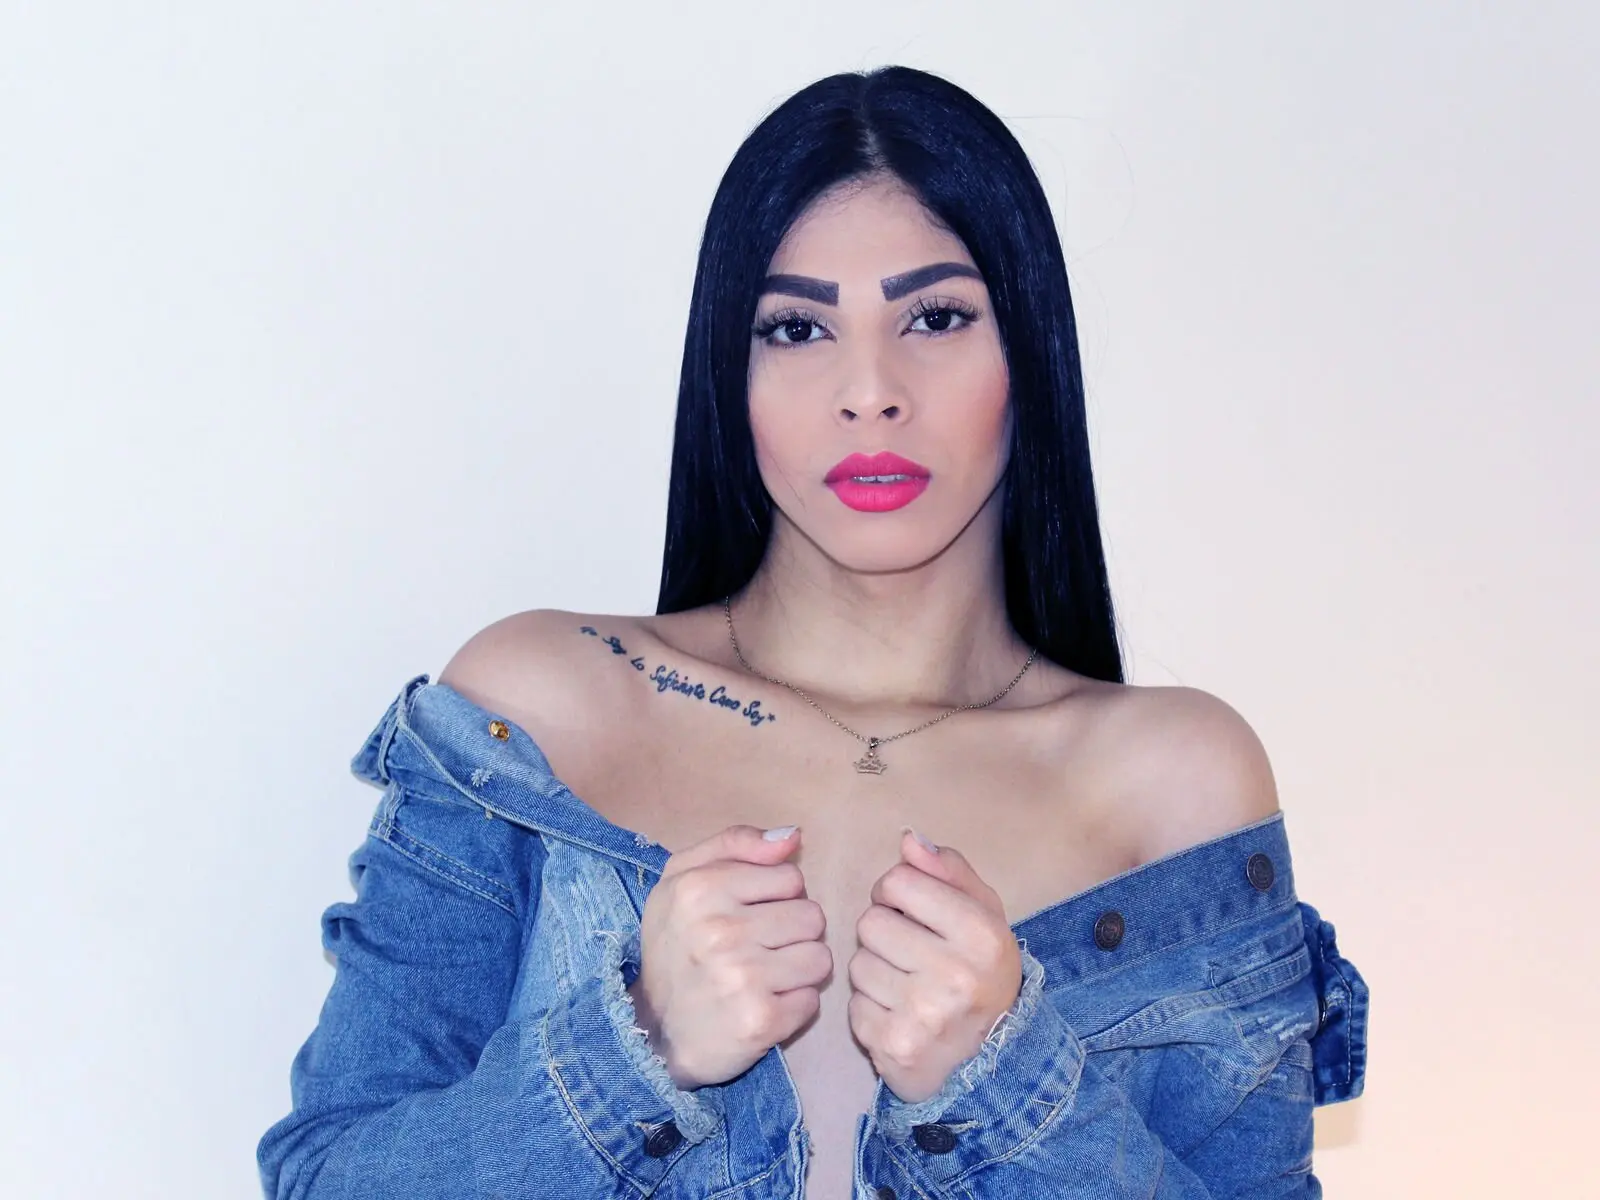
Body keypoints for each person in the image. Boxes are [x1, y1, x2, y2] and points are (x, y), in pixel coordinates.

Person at [258, 65, 1367, 1199]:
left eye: (935, 318)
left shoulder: (1176, 782)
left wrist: (1007, 1081)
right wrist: (637, 1048)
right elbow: (329, 1182)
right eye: (796, 328)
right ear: (728, 375)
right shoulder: (538, 713)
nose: (869, 391)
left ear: (1028, 353)